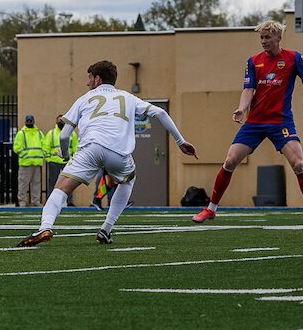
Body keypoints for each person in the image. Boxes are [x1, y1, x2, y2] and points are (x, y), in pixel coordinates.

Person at [17, 60, 197, 247]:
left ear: (97, 79)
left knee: (61, 189)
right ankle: (106, 229)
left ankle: (45, 226)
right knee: (128, 180)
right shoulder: (127, 97)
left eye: (89, 78)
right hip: (118, 152)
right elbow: (160, 113)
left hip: (90, 148)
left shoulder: (85, 98)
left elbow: (64, 135)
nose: (87, 83)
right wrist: (180, 141)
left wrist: (64, 155)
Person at [192, 20, 303, 228]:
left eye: (267, 37)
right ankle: (210, 209)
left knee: (298, 164)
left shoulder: (293, 58)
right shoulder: (253, 61)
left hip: (280, 122)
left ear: (278, 38)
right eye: (261, 38)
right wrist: (242, 108)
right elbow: (248, 89)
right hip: (255, 122)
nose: (264, 41)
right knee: (230, 160)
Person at [12, 114, 44, 207]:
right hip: (26, 163)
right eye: (28, 121)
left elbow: (44, 145)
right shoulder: (21, 133)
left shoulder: (38, 133)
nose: (29, 122)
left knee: (36, 183)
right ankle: (22, 201)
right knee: (23, 184)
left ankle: (36, 201)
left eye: (31, 121)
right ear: (25, 122)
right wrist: (26, 155)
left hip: (36, 162)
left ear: (33, 121)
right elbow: (17, 147)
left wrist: (43, 155)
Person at [44, 114, 78, 205]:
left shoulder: (72, 133)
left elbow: (75, 147)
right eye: (59, 121)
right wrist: (48, 159)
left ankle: (69, 202)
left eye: (62, 121)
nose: (61, 123)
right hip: (54, 161)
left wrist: (73, 159)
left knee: (70, 182)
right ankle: (49, 201)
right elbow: (46, 146)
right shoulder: (51, 133)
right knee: (52, 182)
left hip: (67, 161)